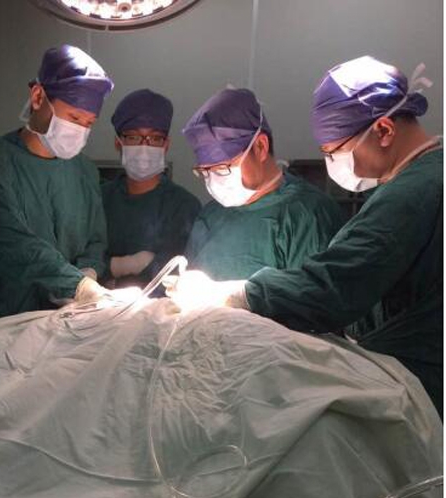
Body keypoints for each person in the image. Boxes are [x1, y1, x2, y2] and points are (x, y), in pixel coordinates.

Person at [169, 57, 442, 415]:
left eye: (335, 151)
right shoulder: (422, 181)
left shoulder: (414, 192)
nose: (332, 163)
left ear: (384, 131)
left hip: (424, 385)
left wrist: (234, 294)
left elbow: (335, 286)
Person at [0, 45, 115, 321]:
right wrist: (77, 286)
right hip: (9, 320)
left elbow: (95, 239)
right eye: (74, 117)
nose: (80, 130)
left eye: (89, 123)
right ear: (38, 97)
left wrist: (89, 272)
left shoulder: (85, 170)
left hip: (73, 323)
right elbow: (10, 246)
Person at [182, 88, 343, 281]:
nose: (214, 180)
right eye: (205, 171)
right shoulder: (210, 215)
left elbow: (314, 295)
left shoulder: (308, 216)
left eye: (222, 168)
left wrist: (240, 297)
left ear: (260, 147)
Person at [103, 89, 201, 288]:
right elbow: (82, 258)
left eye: (155, 138)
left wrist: (114, 276)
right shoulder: (100, 198)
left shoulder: (184, 206)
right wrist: (122, 266)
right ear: (118, 143)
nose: (144, 147)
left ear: (166, 145)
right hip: (94, 304)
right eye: (133, 137)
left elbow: (175, 271)